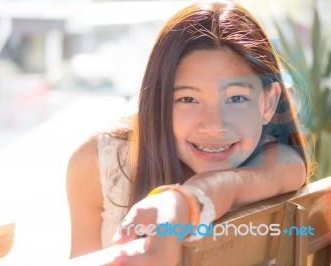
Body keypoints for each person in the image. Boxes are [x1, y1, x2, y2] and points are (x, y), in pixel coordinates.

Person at [66, 1, 313, 265]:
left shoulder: (281, 160)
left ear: (269, 103)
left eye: (236, 99)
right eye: (188, 99)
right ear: (160, 101)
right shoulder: (98, 162)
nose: (214, 125)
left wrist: (182, 204)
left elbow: (231, 185)